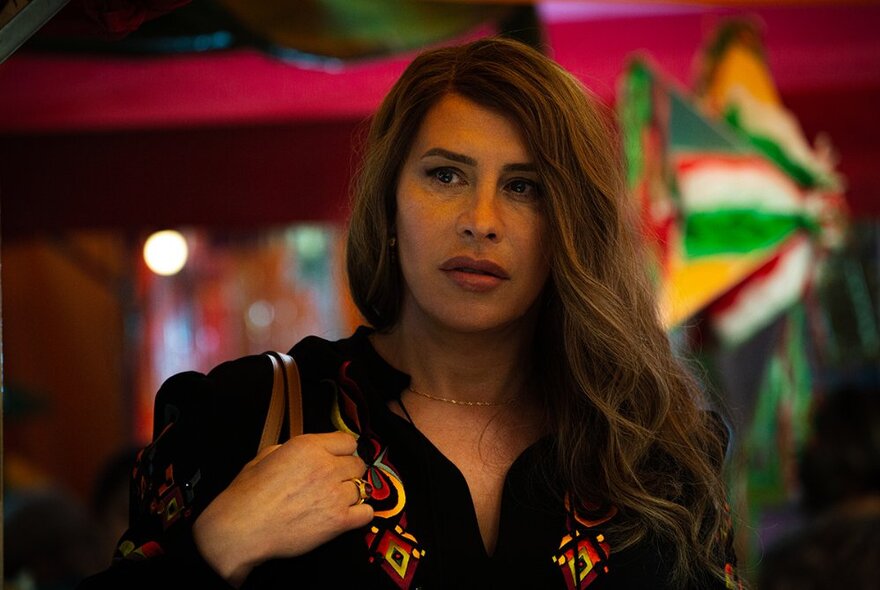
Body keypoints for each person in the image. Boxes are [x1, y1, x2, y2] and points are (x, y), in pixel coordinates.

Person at [77, 36, 740, 589]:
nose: (480, 221)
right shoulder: (245, 415)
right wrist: (222, 542)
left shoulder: (654, 451)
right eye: (445, 175)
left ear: (572, 225)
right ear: (389, 204)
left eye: (525, 187)